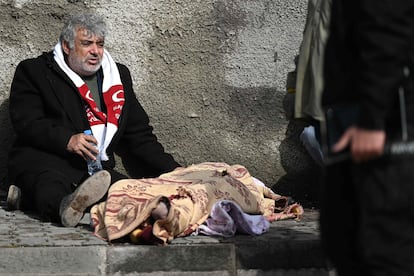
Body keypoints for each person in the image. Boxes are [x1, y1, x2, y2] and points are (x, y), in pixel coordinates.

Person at [6, 13, 181, 227]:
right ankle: (64, 208)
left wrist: (175, 171)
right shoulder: (35, 71)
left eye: (100, 44)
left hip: (94, 171)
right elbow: (27, 122)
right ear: (67, 46)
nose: (95, 51)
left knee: (131, 191)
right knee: (49, 184)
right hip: (45, 160)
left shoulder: (117, 77)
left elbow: (139, 136)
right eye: (87, 43)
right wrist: (67, 140)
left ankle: (27, 198)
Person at [319, 0, 414, 275]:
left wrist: (373, 121)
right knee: (344, 239)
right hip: (360, 119)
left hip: (386, 131)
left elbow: (387, 29)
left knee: (383, 248)